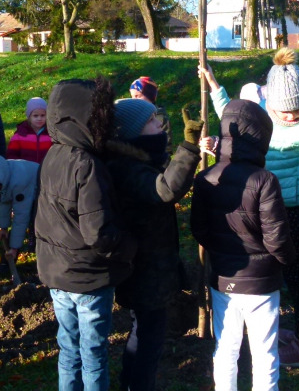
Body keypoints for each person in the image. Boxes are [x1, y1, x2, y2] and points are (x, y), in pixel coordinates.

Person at [198, 48, 299, 363]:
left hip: (293, 208)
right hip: (260, 201)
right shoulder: (264, 109)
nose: (291, 117)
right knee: (265, 267)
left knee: (297, 273)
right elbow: (237, 118)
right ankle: (266, 325)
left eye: (297, 110)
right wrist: (215, 89)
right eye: (283, 112)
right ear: (270, 104)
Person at [35, 77, 137, 391]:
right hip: (88, 278)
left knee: (68, 348)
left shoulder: (53, 155)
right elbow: (99, 233)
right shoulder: (87, 165)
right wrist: (130, 247)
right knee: (93, 353)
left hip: (57, 273)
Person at [191, 99, 296, 391]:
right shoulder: (264, 180)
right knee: (264, 352)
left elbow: (198, 229)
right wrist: (288, 259)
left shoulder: (205, 178)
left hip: (223, 277)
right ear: (260, 137)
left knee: (225, 347)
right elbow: (277, 237)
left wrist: (221, 253)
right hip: (261, 283)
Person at [105, 99, 203, 391]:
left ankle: (130, 384)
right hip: (145, 270)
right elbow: (166, 189)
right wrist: (188, 148)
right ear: (133, 131)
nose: (159, 125)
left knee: (145, 330)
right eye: (151, 122)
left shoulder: (138, 160)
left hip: (147, 266)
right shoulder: (127, 167)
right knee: (149, 335)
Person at [0, 153, 39, 268]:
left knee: (34, 220)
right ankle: (7, 261)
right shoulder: (2, 176)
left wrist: (14, 248)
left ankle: (35, 251)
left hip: (39, 192)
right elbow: (3, 202)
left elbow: (21, 216)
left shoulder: (19, 181)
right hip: (25, 190)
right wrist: (3, 227)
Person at [6, 97, 52, 164]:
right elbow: (11, 155)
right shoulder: (20, 135)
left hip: (46, 171)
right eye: (35, 116)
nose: (39, 118)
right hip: (25, 171)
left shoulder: (51, 134)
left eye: (42, 115)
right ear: (29, 117)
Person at [129, 76, 171, 146]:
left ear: (149, 95)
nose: (134, 100)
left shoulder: (160, 118)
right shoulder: (134, 115)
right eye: (132, 96)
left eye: (137, 96)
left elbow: (166, 146)